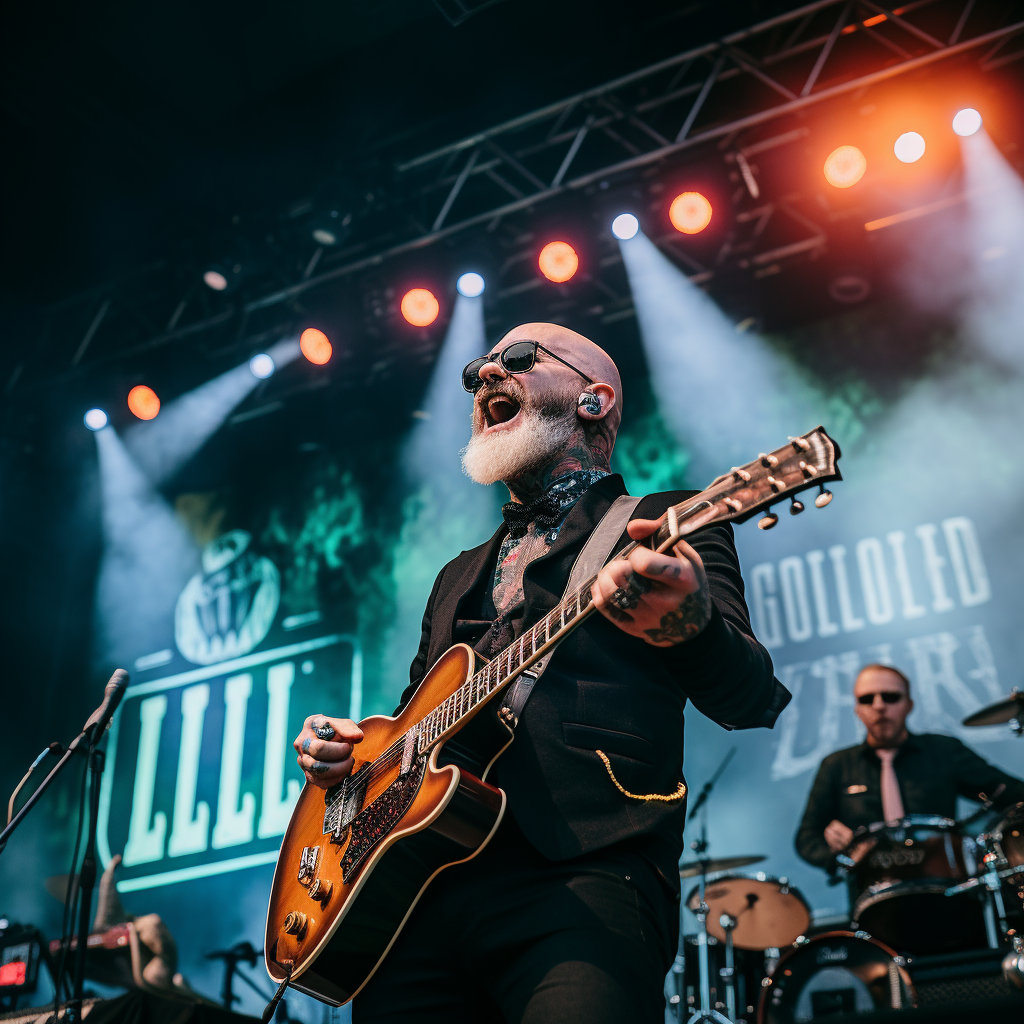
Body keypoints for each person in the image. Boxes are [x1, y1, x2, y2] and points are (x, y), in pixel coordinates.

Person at [292, 322, 790, 1023]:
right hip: (416, 898)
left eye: (517, 360)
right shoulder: (455, 576)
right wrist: (350, 763)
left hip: (584, 877)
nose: (486, 376)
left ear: (594, 399)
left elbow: (750, 696)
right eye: (477, 370)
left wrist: (691, 626)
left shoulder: (663, 524)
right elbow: (415, 717)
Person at [795, 663, 1024, 875]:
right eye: (867, 699)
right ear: (857, 709)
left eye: (890, 696)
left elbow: (1009, 793)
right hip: (873, 893)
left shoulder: (943, 750)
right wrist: (840, 856)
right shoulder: (836, 765)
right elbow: (806, 838)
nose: (879, 705)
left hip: (946, 885)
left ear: (909, 704)